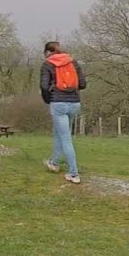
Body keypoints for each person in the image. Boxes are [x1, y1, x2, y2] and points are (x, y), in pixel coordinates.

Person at [40, 41, 86, 183]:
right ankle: (53, 162)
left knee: (65, 138)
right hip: (74, 103)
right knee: (60, 133)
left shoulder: (47, 64)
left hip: (58, 103)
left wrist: (49, 100)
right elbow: (83, 84)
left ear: (48, 52)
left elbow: (43, 86)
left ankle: (73, 173)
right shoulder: (73, 62)